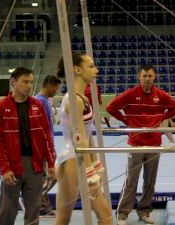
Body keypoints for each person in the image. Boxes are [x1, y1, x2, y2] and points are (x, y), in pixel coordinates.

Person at [106, 64, 175, 225]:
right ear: (139, 77)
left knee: (150, 181)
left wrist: (162, 117)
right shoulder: (131, 94)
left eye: (150, 76)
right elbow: (110, 107)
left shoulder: (160, 95)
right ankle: (123, 214)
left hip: (154, 143)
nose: (147, 79)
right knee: (131, 180)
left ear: (154, 77)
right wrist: (126, 120)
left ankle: (144, 211)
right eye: (144, 76)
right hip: (136, 143)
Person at [0, 67, 56, 225]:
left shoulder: (37, 106)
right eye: (25, 82)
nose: (29, 86)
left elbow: (46, 136)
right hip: (12, 166)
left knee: (33, 211)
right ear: (13, 82)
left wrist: (51, 163)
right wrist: (4, 168)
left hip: (35, 165)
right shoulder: (0, 107)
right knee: (7, 210)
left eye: (31, 82)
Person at [55, 53, 112, 225]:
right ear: (77, 70)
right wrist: (89, 171)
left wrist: (96, 161)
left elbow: (88, 134)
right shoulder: (74, 101)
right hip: (73, 159)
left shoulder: (83, 98)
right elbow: (78, 140)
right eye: (92, 66)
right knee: (105, 214)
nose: (96, 70)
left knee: (63, 220)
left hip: (77, 158)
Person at [34, 75, 61, 216]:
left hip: (46, 142)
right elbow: (40, 127)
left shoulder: (44, 101)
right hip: (44, 145)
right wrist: (46, 147)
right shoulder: (40, 101)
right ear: (49, 85)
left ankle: (44, 207)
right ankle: (34, 200)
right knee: (54, 175)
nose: (56, 91)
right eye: (56, 88)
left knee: (45, 177)